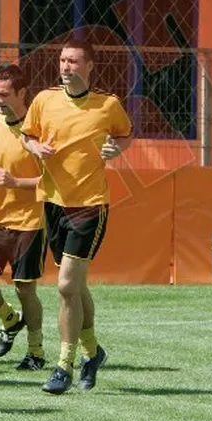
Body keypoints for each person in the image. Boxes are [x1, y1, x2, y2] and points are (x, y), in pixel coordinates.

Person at [22, 38, 132, 394]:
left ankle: (63, 366)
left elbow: (125, 135)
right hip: (54, 203)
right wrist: (35, 146)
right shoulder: (44, 100)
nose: (66, 66)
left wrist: (116, 150)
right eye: (62, 60)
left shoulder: (108, 104)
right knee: (77, 286)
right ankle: (93, 353)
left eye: (73, 61)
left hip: (90, 204)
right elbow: (27, 136)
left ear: (89, 66)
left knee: (66, 284)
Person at [0, 64, 48, 370]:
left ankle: (36, 352)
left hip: (30, 222)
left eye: (4, 94)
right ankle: (9, 319)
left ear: (22, 92)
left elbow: (53, 182)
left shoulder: (39, 131)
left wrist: (16, 183)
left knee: (25, 289)